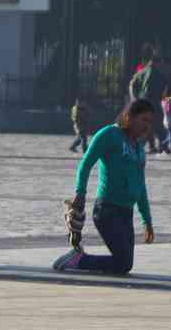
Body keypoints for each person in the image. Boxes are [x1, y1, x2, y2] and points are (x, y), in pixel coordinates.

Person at [52, 99, 157, 275]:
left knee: (124, 265)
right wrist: (80, 192)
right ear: (130, 117)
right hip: (107, 211)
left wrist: (147, 221)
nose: (147, 126)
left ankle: (80, 259)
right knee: (123, 262)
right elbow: (86, 163)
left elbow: (141, 187)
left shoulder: (139, 148)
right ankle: (78, 260)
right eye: (143, 120)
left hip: (126, 213)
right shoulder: (109, 134)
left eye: (150, 122)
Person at [129, 50, 168, 154]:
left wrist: (135, 98)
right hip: (151, 102)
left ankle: (152, 146)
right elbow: (154, 88)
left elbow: (132, 84)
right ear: (157, 62)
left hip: (144, 102)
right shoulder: (154, 73)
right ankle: (161, 145)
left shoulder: (142, 71)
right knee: (156, 125)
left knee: (149, 124)